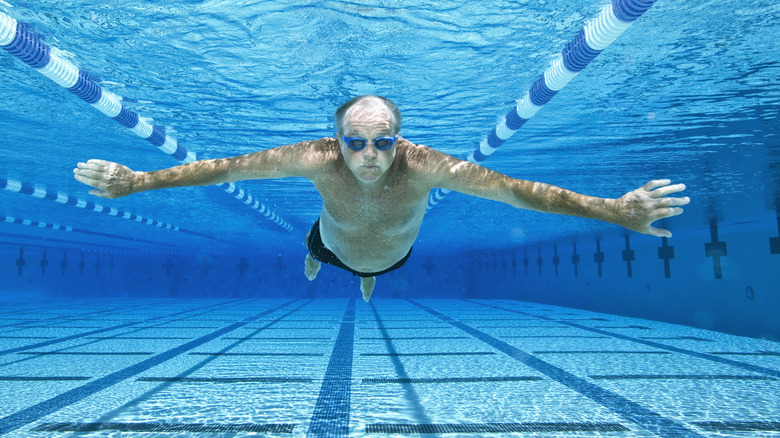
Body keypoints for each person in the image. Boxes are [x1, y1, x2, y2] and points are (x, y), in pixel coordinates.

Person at [74, 95, 689, 302]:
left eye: (383, 142)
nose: (369, 155)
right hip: (329, 239)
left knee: (373, 277)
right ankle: (317, 263)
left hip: (393, 255)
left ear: (401, 139)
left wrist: (612, 210)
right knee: (317, 255)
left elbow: (516, 193)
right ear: (336, 140)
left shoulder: (424, 166)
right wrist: (138, 182)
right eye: (356, 142)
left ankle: (364, 281)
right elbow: (223, 169)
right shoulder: (312, 157)